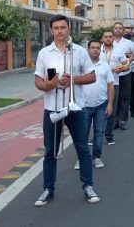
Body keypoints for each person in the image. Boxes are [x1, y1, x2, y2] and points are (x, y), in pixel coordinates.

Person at [34, 14, 100, 206]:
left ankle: (88, 186)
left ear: (68, 28)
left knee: (82, 150)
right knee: (50, 152)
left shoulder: (79, 51)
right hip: (51, 108)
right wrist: (47, 85)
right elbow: (38, 79)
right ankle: (48, 189)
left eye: (63, 27)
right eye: (56, 28)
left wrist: (72, 79)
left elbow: (92, 77)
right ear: (51, 30)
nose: (60, 31)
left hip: (76, 107)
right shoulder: (44, 53)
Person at [73, 40, 114, 170]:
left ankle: (96, 157)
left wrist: (110, 104)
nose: (95, 50)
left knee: (98, 133)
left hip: (101, 105)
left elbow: (110, 85)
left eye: (97, 48)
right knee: (82, 134)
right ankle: (81, 159)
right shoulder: (81, 66)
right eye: (92, 48)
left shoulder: (105, 65)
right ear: (88, 49)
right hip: (83, 106)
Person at [100, 30, 127, 145]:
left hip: (114, 84)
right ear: (102, 38)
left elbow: (127, 65)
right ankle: (97, 136)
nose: (108, 38)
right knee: (98, 111)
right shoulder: (96, 50)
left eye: (110, 37)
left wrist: (120, 69)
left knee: (112, 110)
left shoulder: (119, 51)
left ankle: (109, 135)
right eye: (106, 37)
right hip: (99, 85)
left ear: (113, 38)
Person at [112, 22, 134, 130]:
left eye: (120, 28)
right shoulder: (109, 42)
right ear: (113, 30)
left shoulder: (129, 43)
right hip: (113, 74)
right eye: (116, 28)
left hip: (125, 73)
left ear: (123, 31)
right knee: (114, 98)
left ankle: (123, 121)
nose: (118, 30)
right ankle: (115, 120)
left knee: (125, 97)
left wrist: (128, 60)